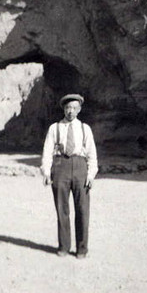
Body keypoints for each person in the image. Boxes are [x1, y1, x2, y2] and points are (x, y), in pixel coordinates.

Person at [41, 94, 98, 259]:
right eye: (67, 108)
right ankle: (64, 246)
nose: (70, 111)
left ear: (79, 109)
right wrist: (46, 171)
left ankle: (82, 249)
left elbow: (92, 153)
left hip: (80, 167)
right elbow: (47, 152)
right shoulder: (55, 128)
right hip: (60, 167)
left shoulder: (84, 128)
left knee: (82, 209)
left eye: (74, 108)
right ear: (63, 109)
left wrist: (91, 173)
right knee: (62, 209)